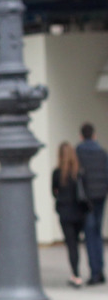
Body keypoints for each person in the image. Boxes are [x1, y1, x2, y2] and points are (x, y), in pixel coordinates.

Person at [53, 141, 89, 288]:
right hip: (79, 213)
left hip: (65, 213)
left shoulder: (57, 173)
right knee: (76, 242)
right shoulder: (79, 172)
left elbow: (53, 192)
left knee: (71, 244)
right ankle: (76, 273)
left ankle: (76, 274)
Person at [75, 123, 107, 285]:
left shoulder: (78, 152)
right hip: (100, 197)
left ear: (81, 136)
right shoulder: (102, 153)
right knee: (97, 234)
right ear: (94, 135)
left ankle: (95, 272)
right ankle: (100, 270)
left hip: (86, 200)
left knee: (90, 235)